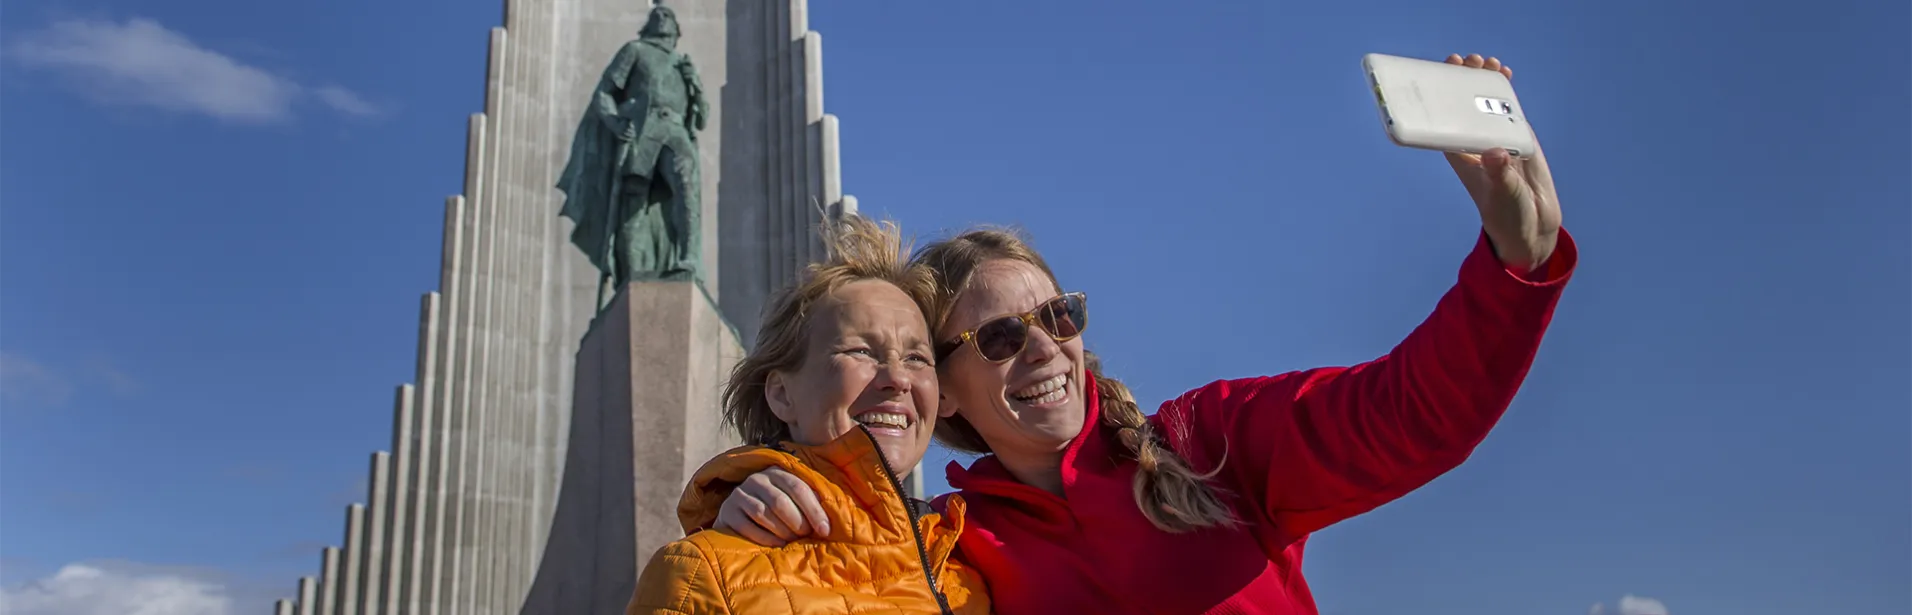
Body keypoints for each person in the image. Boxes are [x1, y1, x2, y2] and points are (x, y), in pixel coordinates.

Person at [704, 54, 1576, 614]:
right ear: (949, 386)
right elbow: (826, 574)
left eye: (1059, 317)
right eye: (1001, 338)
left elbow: (1413, 413)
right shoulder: (949, 547)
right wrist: (746, 501)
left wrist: (1514, 264)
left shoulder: (1209, 444)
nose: (1045, 347)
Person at [625, 215, 989, 615]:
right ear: (782, 394)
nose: (898, 377)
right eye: (861, 352)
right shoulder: (704, 576)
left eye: (916, 357)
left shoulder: (973, 571)